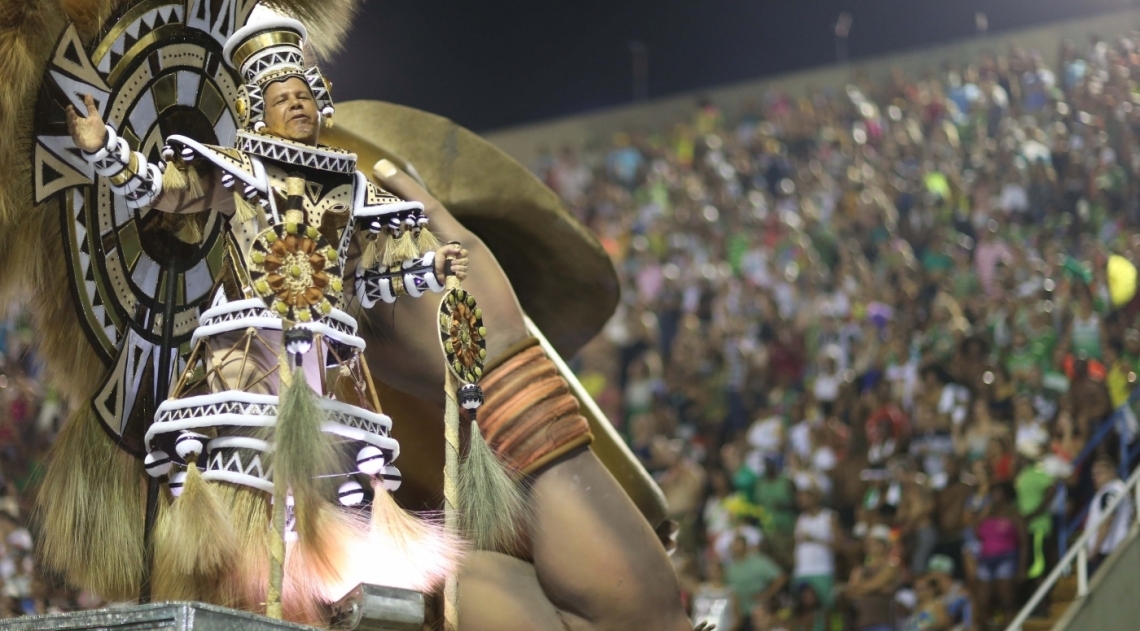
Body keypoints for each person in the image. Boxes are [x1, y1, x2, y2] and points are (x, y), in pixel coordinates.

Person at [973, 483, 1027, 629]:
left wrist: (1022, 568)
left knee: (1006, 600)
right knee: (982, 601)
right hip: (986, 560)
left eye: (998, 492)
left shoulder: (1014, 514)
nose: (995, 496)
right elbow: (976, 532)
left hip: (1006, 559)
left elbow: (1023, 543)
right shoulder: (988, 513)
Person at [792, 486, 840, 611]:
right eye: (799, 497)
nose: (801, 500)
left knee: (826, 609)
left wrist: (813, 539)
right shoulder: (801, 519)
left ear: (815, 498)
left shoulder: (829, 517)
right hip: (802, 571)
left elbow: (838, 545)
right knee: (803, 611)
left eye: (805, 496)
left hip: (822, 570)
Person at [845, 525, 900, 631]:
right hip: (862, 623)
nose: (868, 546)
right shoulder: (860, 569)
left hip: (883, 622)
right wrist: (879, 589)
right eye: (868, 543)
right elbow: (850, 591)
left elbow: (873, 584)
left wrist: (861, 588)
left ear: (883, 545)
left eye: (873, 543)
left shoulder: (890, 567)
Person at [1086, 455, 1134, 574]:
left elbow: (1108, 518)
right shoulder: (1120, 489)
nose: (1095, 477)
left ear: (1112, 473)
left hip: (1109, 550)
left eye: (1099, 473)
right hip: (1116, 548)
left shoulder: (1111, 491)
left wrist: (1095, 549)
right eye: (1093, 474)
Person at [725, 535, 788, 622]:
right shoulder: (730, 568)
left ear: (745, 546)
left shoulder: (758, 562)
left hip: (758, 612)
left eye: (738, 544)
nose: (735, 547)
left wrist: (768, 594)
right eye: (734, 544)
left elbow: (781, 577)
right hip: (737, 615)